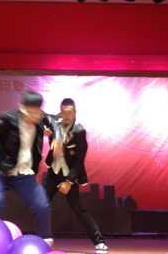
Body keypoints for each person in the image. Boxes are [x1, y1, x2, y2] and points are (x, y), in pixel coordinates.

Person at [0, 89, 55, 245]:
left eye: (37, 112)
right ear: (22, 108)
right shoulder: (7, 119)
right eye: (30, 112)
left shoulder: (42, 120)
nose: (34, 116)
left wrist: (54, 135)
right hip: (1, 172)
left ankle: (45, 242)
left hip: (24, 174)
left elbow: (57, 123)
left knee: (42, 205)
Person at [43, 98, 108, 253]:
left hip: (69, 174)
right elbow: (40, 117)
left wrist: (69, 182)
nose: (67, 116)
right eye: (63, 112)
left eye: (70, 112)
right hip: (53, 172)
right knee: (41, 204)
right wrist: (43, 131)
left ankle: (99, 242)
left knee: (78, 209)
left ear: (75, 113)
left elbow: (79, 161)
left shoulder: (79, 131)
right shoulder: (54, 124)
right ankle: (44, 237)